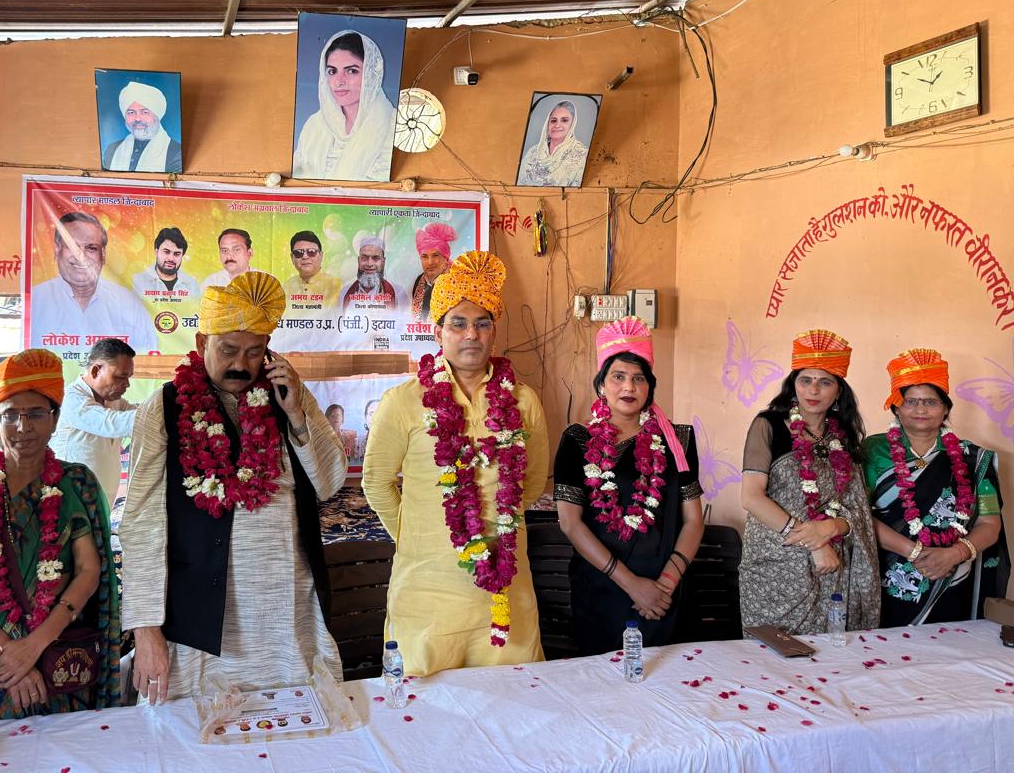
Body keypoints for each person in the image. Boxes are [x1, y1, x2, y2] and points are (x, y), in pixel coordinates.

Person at [121, 271, 347, 701]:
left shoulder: (288, 395)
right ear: (201, 342)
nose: (241, 364)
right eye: (228, 350)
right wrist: (146, 629)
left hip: (287, 613)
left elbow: (329, 483)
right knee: (197, 733)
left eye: (255, 351)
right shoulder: (164, 407)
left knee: (296, 725)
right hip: (201, 623)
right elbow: (142, 522)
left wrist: (297, 415)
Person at [363, 251, 549, 675]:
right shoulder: (403, 401)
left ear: (494, 332)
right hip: (427, 592)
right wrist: (419, 537)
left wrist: (497, 523)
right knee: (423, 703)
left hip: (504, 591)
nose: (471, 335)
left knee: (511, 699)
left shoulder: (523, 400)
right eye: (458, 324)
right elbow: (376, 482)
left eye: (482, 323)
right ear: (438, 332)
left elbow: (534, 481)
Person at [0, 349, 122, 722]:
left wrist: (36, 643)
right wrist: (8, 654)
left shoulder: (76, 483)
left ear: (55, 419)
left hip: (59, 657)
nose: (23, 428)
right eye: (10, 415)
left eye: (36, 414)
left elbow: (88, 571)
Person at [554, 317, 704, 653]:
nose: (629, 387)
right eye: (618, 376)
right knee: (601, 679)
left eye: (639, 378)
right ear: (601, 385)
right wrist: (633, 585)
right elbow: (570, 524)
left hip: (666, 593)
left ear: (650, 387)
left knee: (671, 678)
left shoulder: (678, 440)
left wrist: (665, 585)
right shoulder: (577, 440)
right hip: (601, 591)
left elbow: (694, 520)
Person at [739, 330, 880, 635]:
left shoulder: (843, 437)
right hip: (775, 566)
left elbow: (855, 508)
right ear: (794, 385)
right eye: (805, 380)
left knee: (829, 654)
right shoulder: (768, 425)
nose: (813, 390)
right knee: (773, 652)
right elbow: (751, 498)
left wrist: (830, 529)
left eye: (825, 382)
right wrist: (814, 543)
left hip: (831, 566)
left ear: (839, 391)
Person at [864, 348, 1010, 626]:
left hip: (951, 576)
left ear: (945, 409)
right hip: (884, 575)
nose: (920, 409)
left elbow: (990, 522)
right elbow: (858, 515)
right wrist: (915, 552)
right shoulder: (873, 450)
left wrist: (955, 554)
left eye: (930, 401)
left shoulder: (973, 459)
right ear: (896, 407)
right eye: (910, 401)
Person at [29, 211, 158, 354]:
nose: (81, 257)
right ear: (57, 250)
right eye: (72, 246)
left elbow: (148, 356)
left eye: (91, 248)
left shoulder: (128, 303)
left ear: (103, 255)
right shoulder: (35, 300)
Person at [292, 30, 397, 182]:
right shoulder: (313, 126)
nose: (339, 81)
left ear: (370, 74)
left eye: (352, 71)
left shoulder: (393, 126)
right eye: (332, 71)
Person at [50, 338, 138, 507]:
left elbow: (139, 413)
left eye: (128, 377)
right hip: (73, 497)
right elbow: (112, 423)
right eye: (121, 376)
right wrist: (162, 404)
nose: (126, 384)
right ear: (96, 371)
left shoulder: (113, 400)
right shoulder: (71, 398)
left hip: (103, 497)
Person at [103, 80, 181, 173]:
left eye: (145, 112)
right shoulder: (112, 150)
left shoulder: (176, 153)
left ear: (157, 116)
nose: (137, 118)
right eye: (131, 112)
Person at [517, 99, 591, 188]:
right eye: (553, 120)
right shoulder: (533, 152)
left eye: (564, 120)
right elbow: (519, 184)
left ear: (572, 124)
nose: (557, 125)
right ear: (547, 123)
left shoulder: (582, 155)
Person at [132, 227, 201, 302]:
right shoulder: (139, 282)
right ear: (156, 252)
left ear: (182, 256)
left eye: (177, 254)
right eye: (166, 252)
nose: (171, 258)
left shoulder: (192, 285)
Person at [341, 234, 406, 313]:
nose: (369, 264)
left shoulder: (398, 293)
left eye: (376, 258)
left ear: (383, 262)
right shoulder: (344, 292)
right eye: (364, 258)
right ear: (358, 261)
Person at [283, 230, 342, 313]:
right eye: (298, 253)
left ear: (321, 256)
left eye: (311, 252)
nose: (305, 257)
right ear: (292, 258)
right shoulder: (288, 286)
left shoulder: (335, 285)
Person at [410, 223, 457, 322]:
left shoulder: (456, 282)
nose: (430, 262)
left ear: (446, 258)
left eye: (435, 255)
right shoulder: (419, 280)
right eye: (424, 256)